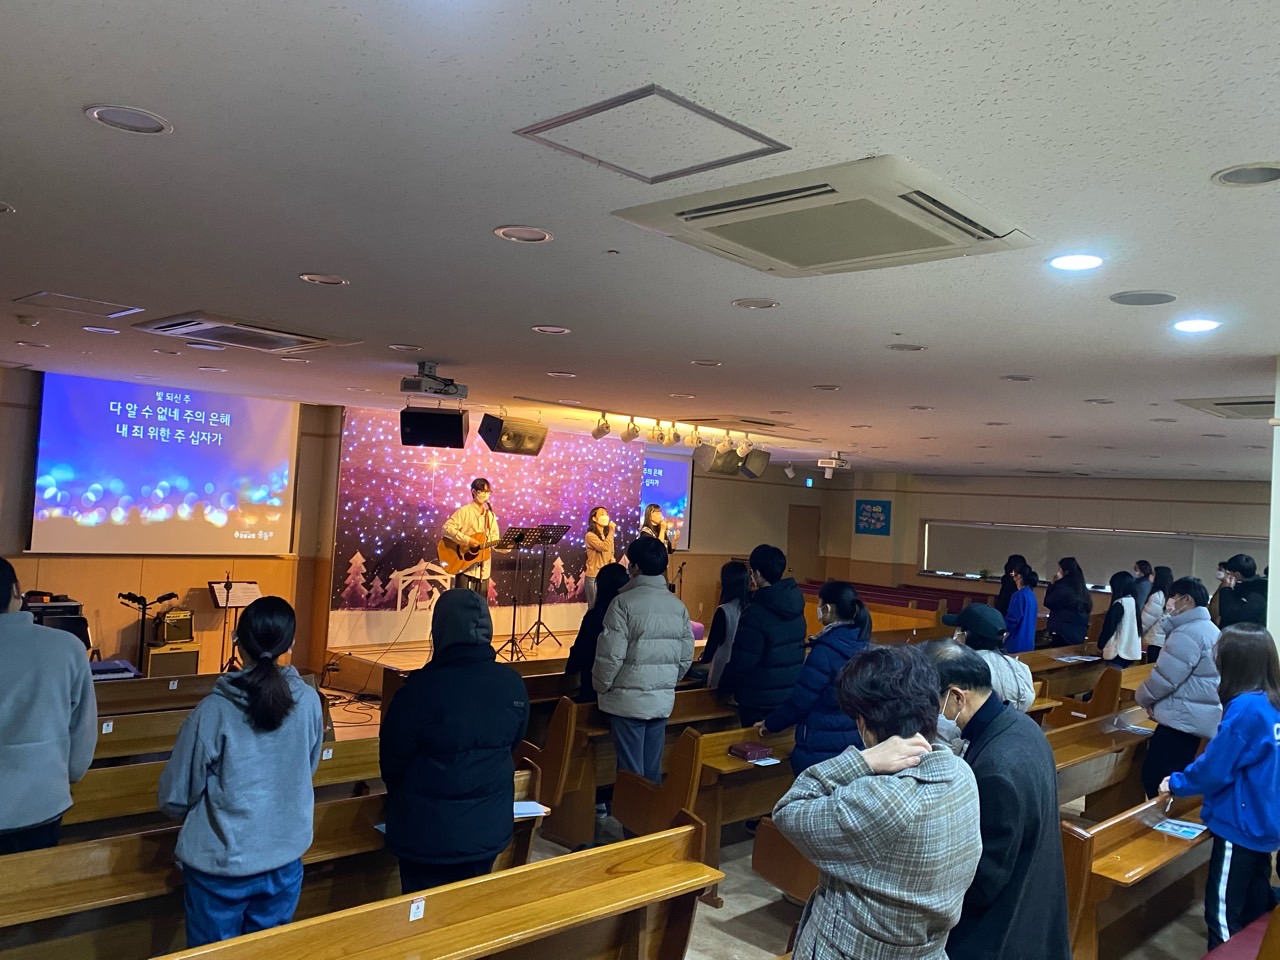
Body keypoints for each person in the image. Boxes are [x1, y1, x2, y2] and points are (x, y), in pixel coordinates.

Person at [773, 646, 981, 960]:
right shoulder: (961, 773)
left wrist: (863, 760)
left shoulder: (881, 799)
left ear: (863, 724)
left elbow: (789, 810)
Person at [157, 596, 323, 947]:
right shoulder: (309, 701)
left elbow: (175, 795)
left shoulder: (213, 711)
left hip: (223, 864)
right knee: (266, 953)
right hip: (284, 858)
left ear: (237, 640)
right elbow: (306, 768)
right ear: (290, 643)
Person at [919, 640, 1071, 960]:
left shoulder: (997, 771)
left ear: (957, 697)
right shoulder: (1020, 725)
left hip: (1001, 932)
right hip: (1035, 903)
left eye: (931, 702)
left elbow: (983, 881)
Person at [380, 589, 529, 893]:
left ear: (440, 630)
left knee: (422, 913)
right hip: (487, 828)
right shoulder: (512, 684)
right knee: (470, 909)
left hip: (425, 833)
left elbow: (392, 762)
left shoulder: (419, 690)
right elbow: (514, 742)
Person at [1159, 624, 1280, 952]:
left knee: (1222, 911)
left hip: (1240, 826)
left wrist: (1177, 783)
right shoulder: (1272, 703)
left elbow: (1215, 767)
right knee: (1256, 901)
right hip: (1266, 822)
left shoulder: (1245, 709)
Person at [0, 558, 97, 855]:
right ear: (16, 590)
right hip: (40, 801)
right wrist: (67, 775)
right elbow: (82, 732)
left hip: (38, 800)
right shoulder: (67, 648)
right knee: (33, 881)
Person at [592, 537, 695, 784]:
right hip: (660, 701)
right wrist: (666, 682)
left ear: (634, 567)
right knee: (651, 772)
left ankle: (632, 811)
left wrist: (601, 687)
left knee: (631, 776)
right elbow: (686, 655)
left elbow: (610, 656)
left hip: (627, 703)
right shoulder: (678, 606)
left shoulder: (622, 603)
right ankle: (651, 811)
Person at [755, 580, 871, 773]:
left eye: (819, 603)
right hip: (855, 746)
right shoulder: (865, 646)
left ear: (828, 609)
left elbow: (800, 703)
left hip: (819, 748)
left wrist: (770, 724)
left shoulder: (825, 651)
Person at [1135, 576, 1221, 797]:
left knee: (1156, 777)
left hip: (1181, 719)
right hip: (1197, 717)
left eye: (1173, 597)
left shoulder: (1187, 633)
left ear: (1186, 599)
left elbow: (1165, 678)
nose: (1169, 603)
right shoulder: (1210, 629)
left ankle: (1161, 818)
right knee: (1177, 775)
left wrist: (1142, 697)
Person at [717, 544, 807, 726]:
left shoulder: (755, 613)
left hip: (758, 698)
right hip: (788, 694)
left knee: (753, 742)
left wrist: (723, 687)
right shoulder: (796, 609)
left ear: (756, 574)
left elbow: (742, 661)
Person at [943, 602, 1035, 711]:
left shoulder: (966, 669)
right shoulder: (1019, 667)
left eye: (958, 629)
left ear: (966, 634)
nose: (955, 634)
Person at [564, 563, 629, 702]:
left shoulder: (595, 616)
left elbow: (582, 649)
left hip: (595, 689)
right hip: (625, 689)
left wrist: (570, 670)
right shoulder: (631, 614)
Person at [441, 478, 501, 594]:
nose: (486, 495)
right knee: (462, 601)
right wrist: (468, 541)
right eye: (482, 491)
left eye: (488, 492)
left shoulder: (490, 515)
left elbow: (495, 540)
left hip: (483, 571)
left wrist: (507, 545)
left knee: (480, 603)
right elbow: (446, 528)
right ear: (473, 492)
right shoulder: (464, 511)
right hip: (465, 566)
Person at [700, 561, 751, 689]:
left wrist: (703, 658)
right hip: (745, 668)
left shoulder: (724, 610)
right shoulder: (751, 607)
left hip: (724, 666)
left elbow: (713, 643)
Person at [1043, 556, 1092, 647]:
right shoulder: (1082, 589)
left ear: (1066, 571)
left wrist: (1052, 584)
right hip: (1078, 633)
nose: (1058, 572)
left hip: (1063, 632)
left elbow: (1049, 602)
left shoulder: (1064, 588)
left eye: (1059, 569)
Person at [1097, 571, 1141, 667]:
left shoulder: (1119, 604)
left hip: (1117, 651)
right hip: (1130, 650)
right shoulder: (1133, 601)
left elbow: (1109, 628)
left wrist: (1100, 645)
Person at [1218, 553, 1268, 628]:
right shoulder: (1246, 586)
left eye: (1228, 573)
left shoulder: (1257, 590)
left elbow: (1229, 614)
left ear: (1237, 575)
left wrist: (1226, 589)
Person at [582, 506, 616, 609]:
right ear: (594, 518)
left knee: (605, 606)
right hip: (594, 577)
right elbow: (603, 547)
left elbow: (611, 550)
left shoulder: (607, 535)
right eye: (602, 514)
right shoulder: (590, 535)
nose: (605, 516)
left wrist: (612, 559)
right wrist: (611, 531)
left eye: (606, 514)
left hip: (606, 575)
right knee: (594, 608)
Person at [1140, 565, 1175, 663]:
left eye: (1153, 574)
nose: (1151, 576)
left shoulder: (1157, 595)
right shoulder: (1172, 595)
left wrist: (1138, 631)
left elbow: (1148, 618)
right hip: (1166, 638)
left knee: (1151, 666)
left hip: (1155, 638)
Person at [1002, 562, 1039, 654]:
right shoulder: (1032, 595)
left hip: (1015, 643)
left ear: (1019, 576)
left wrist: (1002, 633)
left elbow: (1012, 619)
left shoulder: (1018, 595)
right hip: (1028, 643)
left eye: (1013, 574)